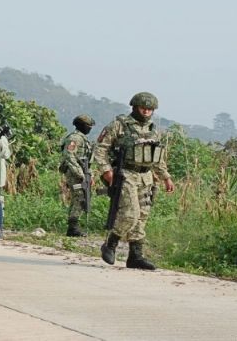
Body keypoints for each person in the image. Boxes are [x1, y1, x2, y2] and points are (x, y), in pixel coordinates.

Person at [95, 92, 175, 270]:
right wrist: (107, 171)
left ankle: (135, 256)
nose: (146, 112)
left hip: (146, 177)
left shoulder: (153, 129)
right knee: (130, 213)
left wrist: (166, 177)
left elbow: (158, 158)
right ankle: (111, 243)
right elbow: (101, 149)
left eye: (150, 109)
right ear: (135, 107)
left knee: (142, 216)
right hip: (126, 174)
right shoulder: (120, 125)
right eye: (143, 108)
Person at [59, 115, 95, 237]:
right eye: (88, 126)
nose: (90, 129)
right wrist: (80, 174)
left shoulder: (83, 139)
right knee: (79, 197)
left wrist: (90, 175)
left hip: (82, 172)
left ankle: (73, 226)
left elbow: (87, 160)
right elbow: (69, 156)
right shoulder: (74, 138)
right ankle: (73, 227)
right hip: (74, 172)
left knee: (82, 197)